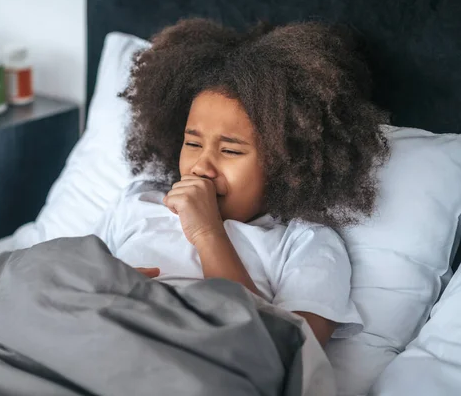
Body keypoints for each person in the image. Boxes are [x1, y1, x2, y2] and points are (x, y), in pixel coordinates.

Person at [93, 19, 390, 346]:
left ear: (287, 163)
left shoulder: (303, 246)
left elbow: (287, 356)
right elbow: (62, 280)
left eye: (230, 150)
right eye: (192, 144)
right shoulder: (138, 203)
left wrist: (208, 235)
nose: (202, 166)